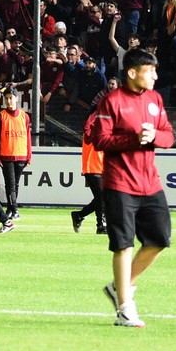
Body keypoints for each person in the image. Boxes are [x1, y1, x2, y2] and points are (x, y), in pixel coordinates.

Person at [90, 48, 175, 328]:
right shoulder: (112, 101)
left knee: (160, 239)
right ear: (132, 73)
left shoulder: (155, 99)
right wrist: (133, 139)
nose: (155, 76)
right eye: (150, 71)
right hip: (119, 183)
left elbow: (169, 136)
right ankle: (125, 308)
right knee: (123, 245)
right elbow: (100, 140)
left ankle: (119, 287)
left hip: (150, 182)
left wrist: (154, 137)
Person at [72, 79, 116, 235]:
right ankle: (101, 225)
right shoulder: (95, 117)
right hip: (92, 163)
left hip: (104, 165)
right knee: (102, 197)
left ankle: (79, 215)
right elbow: (89, 133)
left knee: (103, 197)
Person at [0, 88, 31, 220]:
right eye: (6, 98)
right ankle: (15, 209)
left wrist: (29, 155)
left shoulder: (24, 116)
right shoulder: (1, 115)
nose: (9, 101)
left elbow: (28, 137)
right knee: (11, 183)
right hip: (6, 154)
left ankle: (10, 209)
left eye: (11, 98)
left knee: (15, 184)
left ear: (16, 98)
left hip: (21, 154)